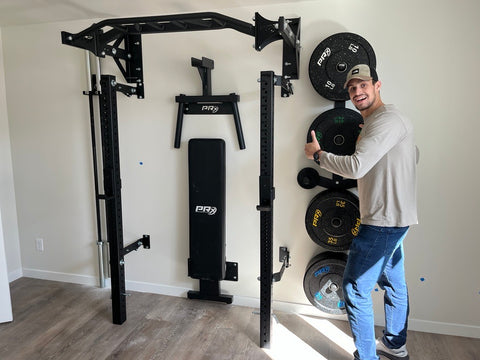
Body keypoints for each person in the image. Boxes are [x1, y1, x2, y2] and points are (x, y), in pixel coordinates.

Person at [304, 64, 418, 360]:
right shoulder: (383, 122)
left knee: (354, 288)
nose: (357, 92)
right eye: (352, 88)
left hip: (382, 221)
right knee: (393, 283)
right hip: (394, 217)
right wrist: (368, 140)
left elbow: (356, 167)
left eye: (363, 85)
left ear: (377, 85)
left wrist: (318, 156)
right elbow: (412, 155)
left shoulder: (386, 120)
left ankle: (367, 357)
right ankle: (395, 344)